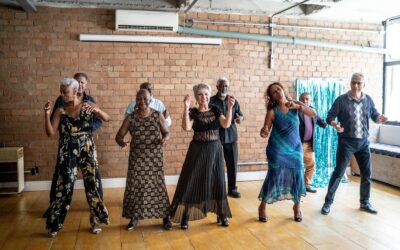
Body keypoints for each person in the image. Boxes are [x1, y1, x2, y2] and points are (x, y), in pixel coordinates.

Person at [43, 78, 110, 237]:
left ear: (74, 91)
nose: (62, 95)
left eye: (65, 92)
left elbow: (106, 118)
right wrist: (46, 115)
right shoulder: (60, 110)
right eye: (61, 92)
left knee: (92, 185)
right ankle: (55, 224)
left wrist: (97, 110)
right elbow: (50, 133)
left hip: (87, 149)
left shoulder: (87, 106)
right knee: (64, 186)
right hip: (67, 151)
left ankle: (95, 222)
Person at [169, 83, 235, 229]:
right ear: (196, 97)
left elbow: (225, 124)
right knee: (192, 180)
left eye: (206, 94)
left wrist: (230, 108)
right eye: (200, 94)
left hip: (215, 150)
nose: (203, 97)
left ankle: (221, 214)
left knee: (217, 180)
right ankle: (185, 215)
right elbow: (186, 127)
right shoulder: (193, 112)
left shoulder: (216, 109)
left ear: (209, 95)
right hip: (197, 150)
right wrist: (186, 107)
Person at [321, 73, 388, 215]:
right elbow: (329, 117)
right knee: (338, 173)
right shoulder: (341, 100)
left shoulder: (368, 100)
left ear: (363, 85)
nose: (355, 85)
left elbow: (375, 116)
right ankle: (328, 203)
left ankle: (365, 203)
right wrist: (335, 124)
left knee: (367, 173)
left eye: (358, 83)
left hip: (363, 143)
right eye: (353, 82)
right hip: (346, 142)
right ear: (350, 83)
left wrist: (380, 118)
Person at [258, 82, 316, 223]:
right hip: (277, 149)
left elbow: (313, 114)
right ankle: (262, 206)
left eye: (279, 89)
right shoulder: (272, 111)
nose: (278, 93)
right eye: (274, 92)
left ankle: (297, 208)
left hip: (295, 149)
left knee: (298, 177)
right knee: (274, 177)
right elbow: (265, 131)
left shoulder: (295, 104)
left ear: (283, 90)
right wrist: (264, 131)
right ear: (272, 96)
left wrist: (297, 106)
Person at [115, 89, 172, 231]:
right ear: (136, 100)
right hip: (137, 157)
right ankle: (135, 216)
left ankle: (166, 217)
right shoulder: (130, 118)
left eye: (145, 99)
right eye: (139, 99)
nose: (142, 102)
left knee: (157, 185)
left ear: (150, 99)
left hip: (154, 157)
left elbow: (166, 132)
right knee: (136, 186)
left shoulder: (157, 115)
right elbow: (118, 136)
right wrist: (122, 143)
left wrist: (165, 139)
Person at [210, 77, 244, 198]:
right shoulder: (211, 101)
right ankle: (216, 189)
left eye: (226, 86)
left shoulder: (233, 100)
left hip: (231, 137)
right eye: (222, 85)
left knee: (232, 164)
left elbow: (240, 114)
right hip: (215, 138)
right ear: (217, 86)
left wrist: (240, 118)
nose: (225, 88)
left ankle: (232, 189)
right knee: (215, 165)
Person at [298, 92, 327, 193]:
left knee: (311, 164)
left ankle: (306, 185)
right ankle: (296, 186)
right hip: (298, 144)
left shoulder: (313, 112)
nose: (305, 101)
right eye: (303, 99)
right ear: (299, 100)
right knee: (297, 165)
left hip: (310, 144)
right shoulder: (296, 111)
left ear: (310, 100)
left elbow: (321, 121)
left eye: (307, 99)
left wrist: (330, 124)